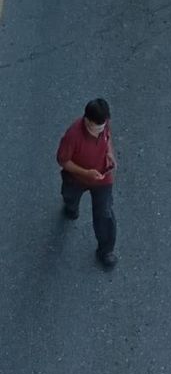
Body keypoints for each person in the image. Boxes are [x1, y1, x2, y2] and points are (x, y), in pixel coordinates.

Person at [56, 97, 117, 269]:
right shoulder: (72, 136)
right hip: (76, 179)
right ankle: (71, 206)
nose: (99, 130)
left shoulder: (103, 124)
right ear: (86, 119)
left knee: (105, 213)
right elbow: (63, 161)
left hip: (102, 177)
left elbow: (108, 137)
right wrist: (86, 173)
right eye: (94, 127)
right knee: (70, 197)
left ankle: (106, 250)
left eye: (102, 127)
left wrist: (110, 153)